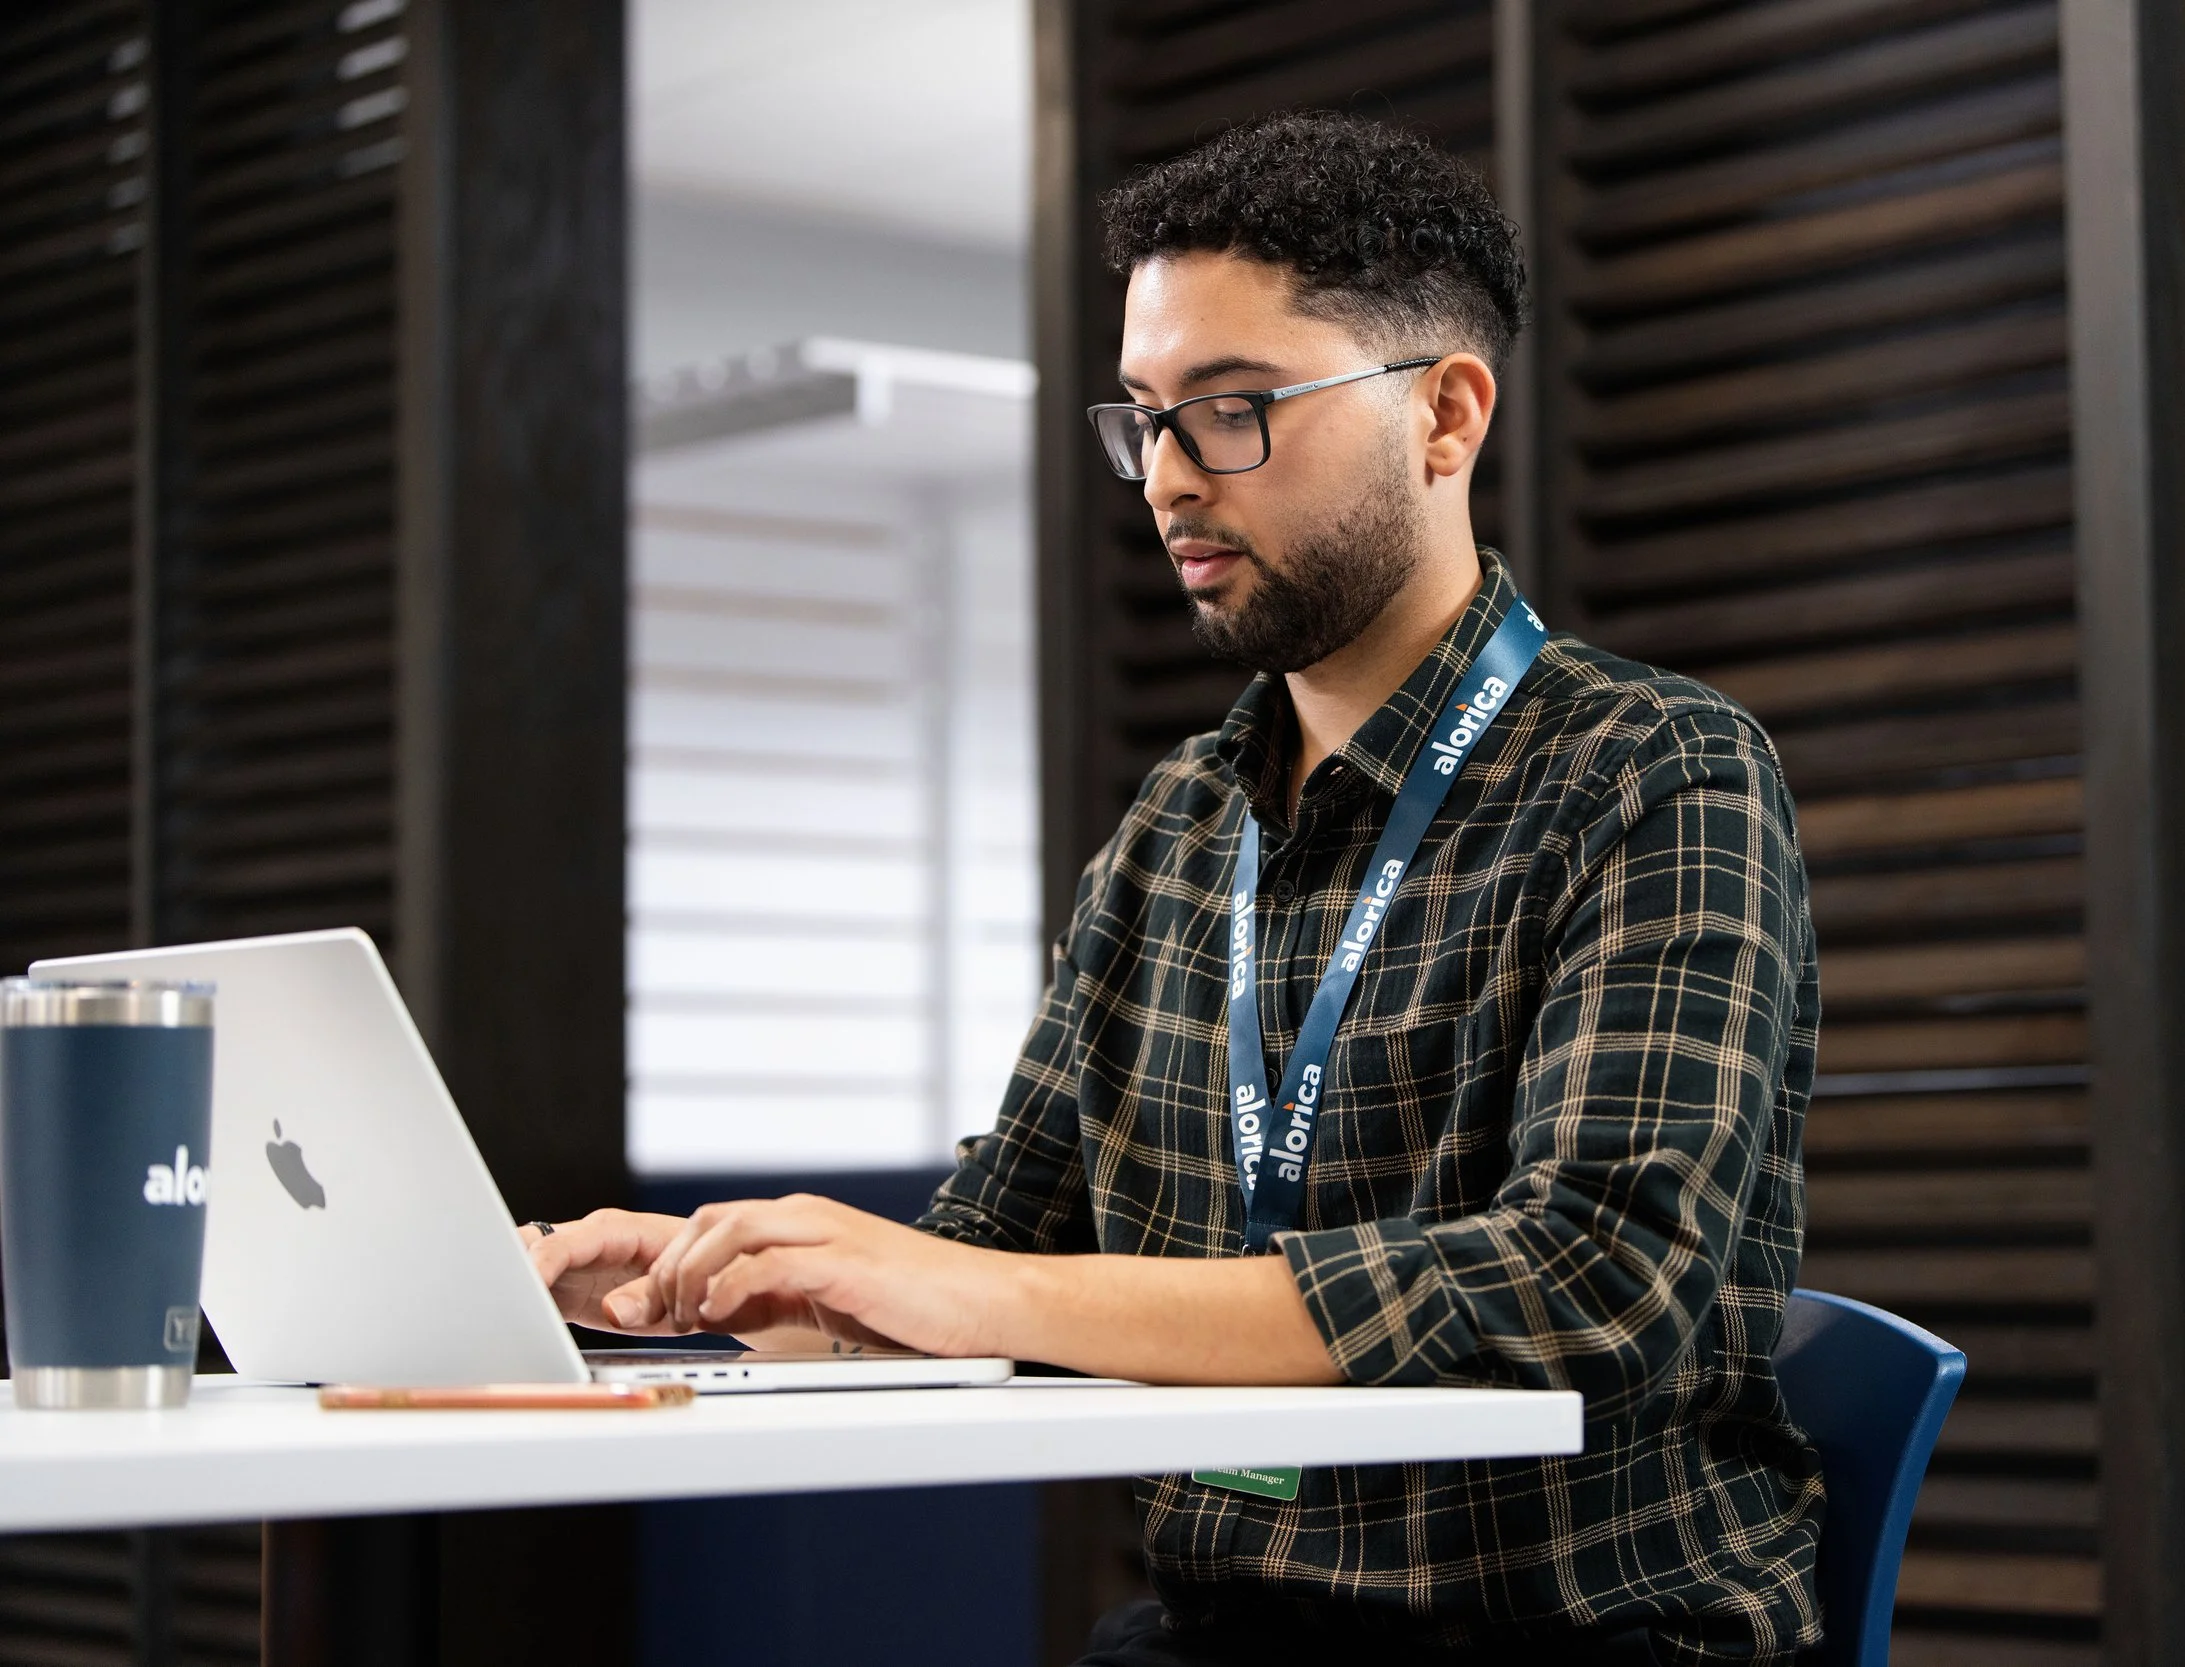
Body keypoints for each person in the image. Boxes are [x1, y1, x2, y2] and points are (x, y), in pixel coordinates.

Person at [530, 112, 1823, 1664]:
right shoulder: (1178, 824)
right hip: (1224, 1628)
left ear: (1447, 415)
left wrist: (972, 1291)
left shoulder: (1655, 771)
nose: (1165, 480)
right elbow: (988, 1251)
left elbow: (1591, 1280)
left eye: (1233, 412)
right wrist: (719, 1282)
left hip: (1566, 1630)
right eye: (1142, 417)